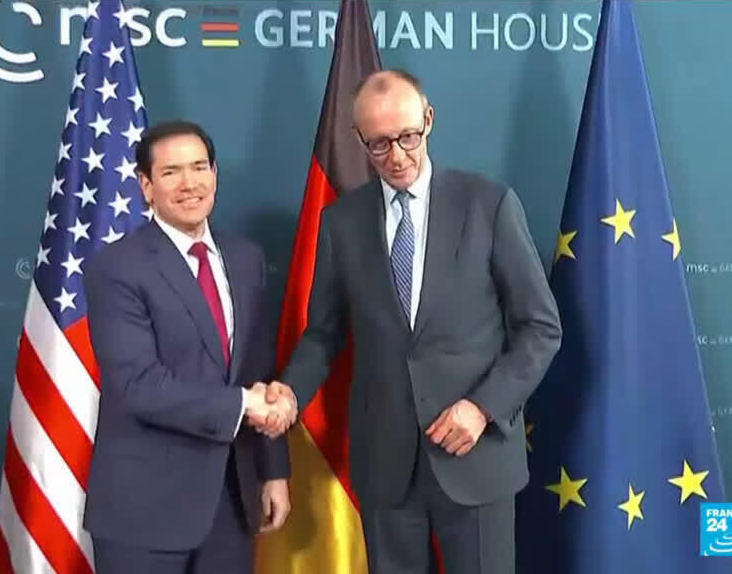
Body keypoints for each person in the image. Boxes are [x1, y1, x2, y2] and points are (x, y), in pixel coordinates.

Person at [262, 69, 563, 574]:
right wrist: (290, 394)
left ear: (429, 120)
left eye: (408, 137)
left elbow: (541, 327)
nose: (397, 156)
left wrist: (483, 407)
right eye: (379, 144)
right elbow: (324, 333)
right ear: (358, 139)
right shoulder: (342, 222)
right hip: (386, 464)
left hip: (476, 453)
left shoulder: (487, 204)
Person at [83, 120, 298, 574]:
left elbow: (259, 370)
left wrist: (273, 470)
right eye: (171, 172)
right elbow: (139, 385)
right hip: (143, 512)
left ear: (215, 175)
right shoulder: (117, 268)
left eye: (200, 167)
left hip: (231, 503)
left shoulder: (246, 259)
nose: (189, 183)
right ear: (146, 186)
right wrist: (246, 404)